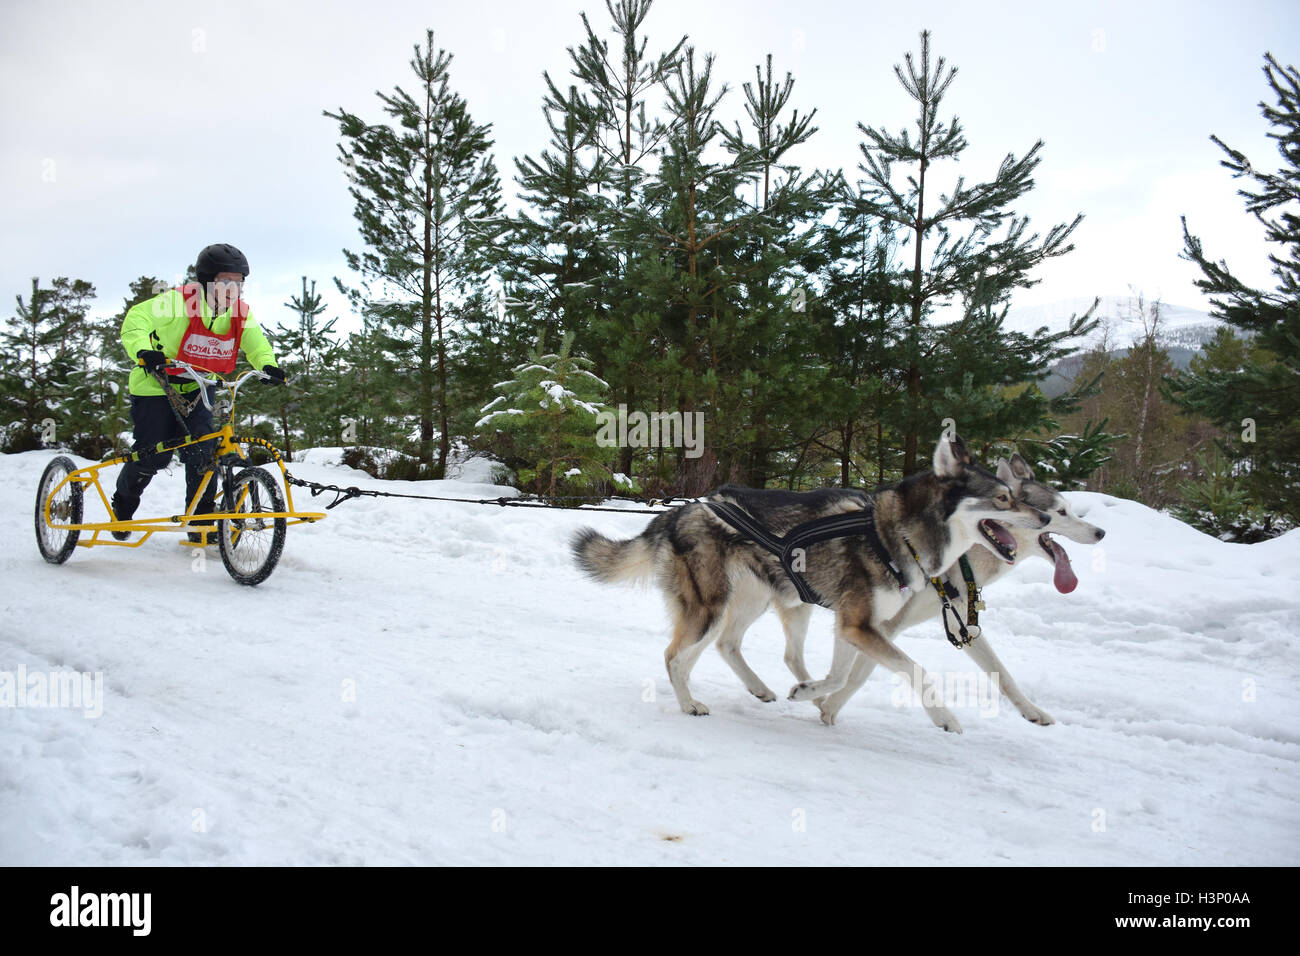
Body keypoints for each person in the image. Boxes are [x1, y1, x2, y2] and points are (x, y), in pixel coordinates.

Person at [111, 243, 284, 542]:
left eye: (239, 283)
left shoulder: (240, 313)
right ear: (206, 281)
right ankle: (123, 506)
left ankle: (200, 524)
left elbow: (256, 342)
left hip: (198, 388)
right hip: (155, 387)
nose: (233, 289)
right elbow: (136, 320)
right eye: (225, 282)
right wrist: (143, 350)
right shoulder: (177, 303)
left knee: (202, 455)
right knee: (154, 455)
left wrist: (268, 365)